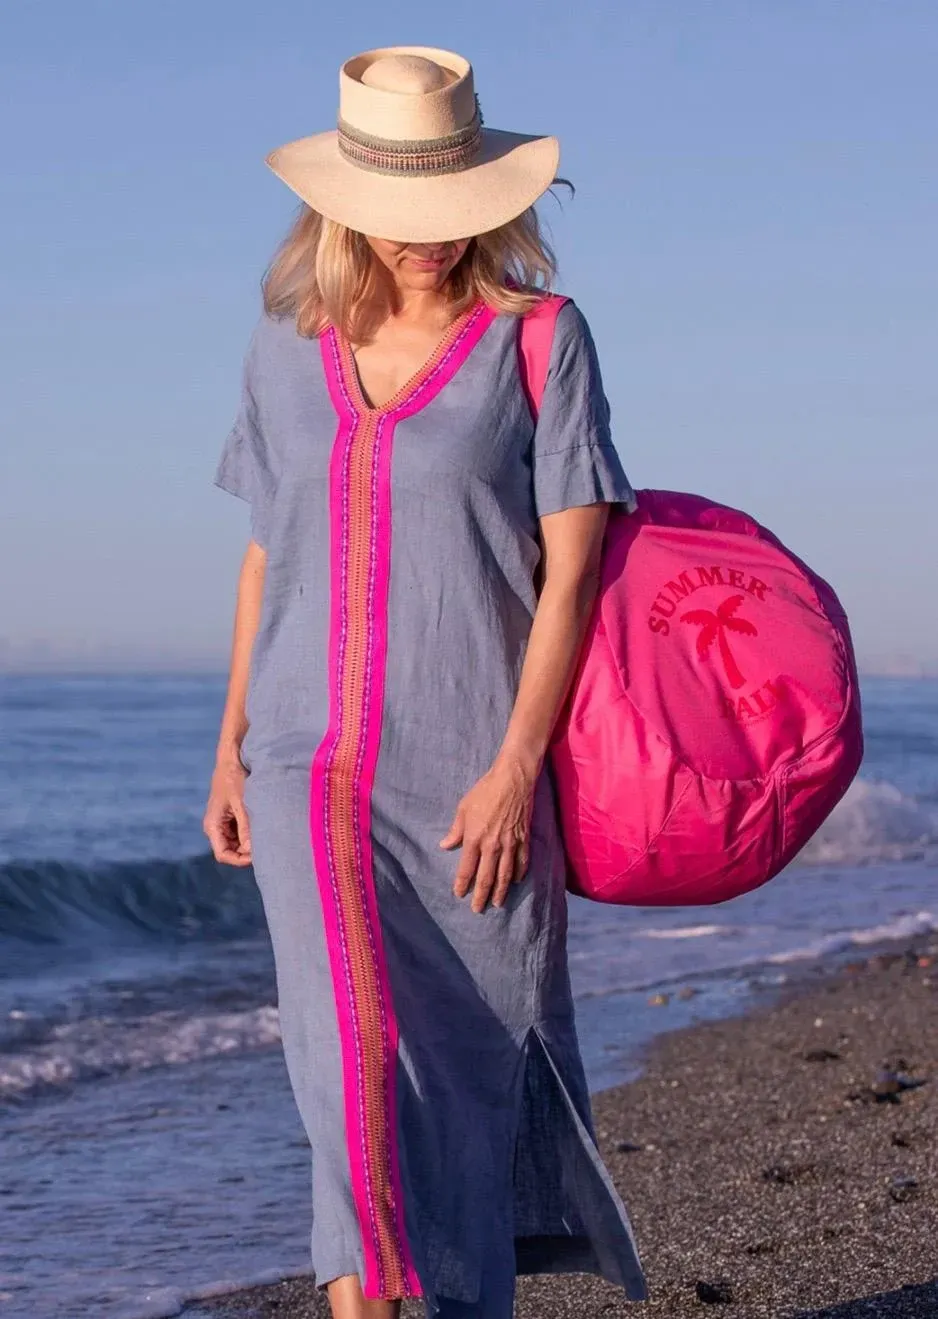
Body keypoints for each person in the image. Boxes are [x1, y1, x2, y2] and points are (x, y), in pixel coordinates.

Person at [204, 44, 646, 1319]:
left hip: (464, 769)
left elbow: (569, 577)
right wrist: (228, 747)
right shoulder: (282, 350)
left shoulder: (540, 345)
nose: (426, 242)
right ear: (344, 205)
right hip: (301, 761)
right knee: (340, 1059)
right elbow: (260, 559)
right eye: (401, 217)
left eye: (448, 211)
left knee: (462, 1059)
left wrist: (515, 769)